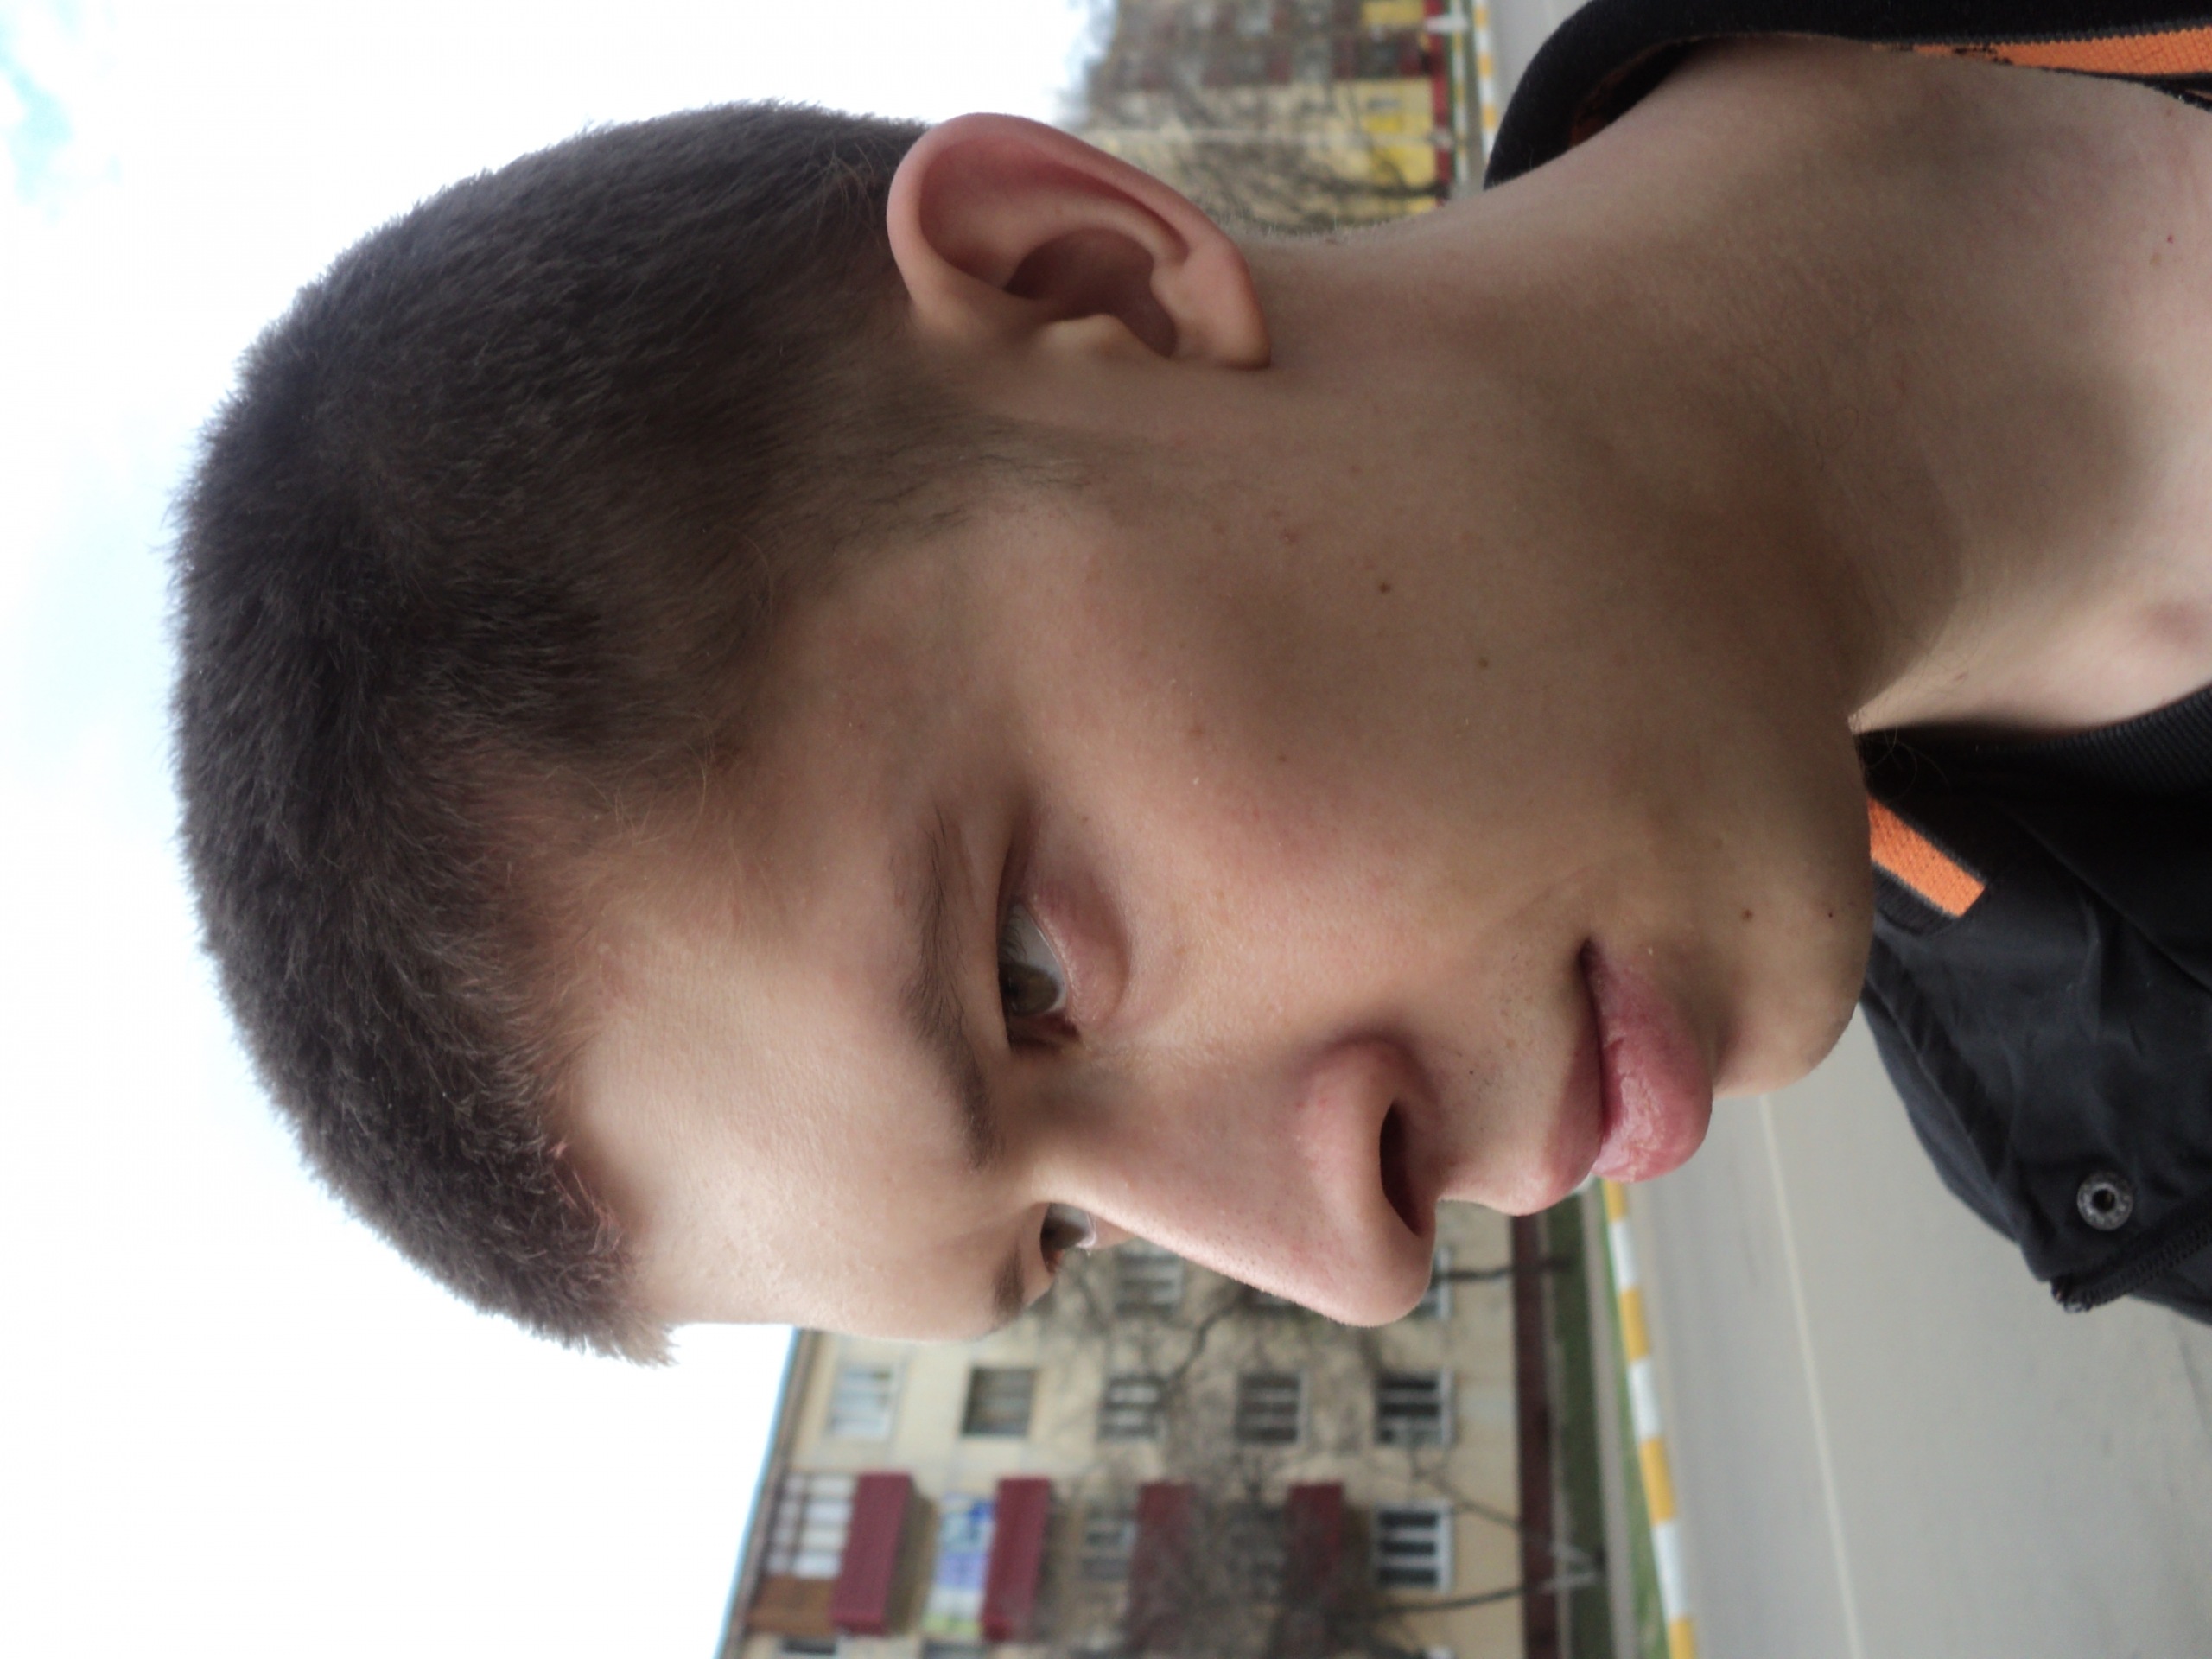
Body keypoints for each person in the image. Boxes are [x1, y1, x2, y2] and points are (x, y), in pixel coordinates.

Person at [173, 0, 2212, 1360]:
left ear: (1089, 283)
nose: (1353, 1258)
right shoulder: (2145, 1121)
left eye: (1026, 974)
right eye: (1073, 1243)